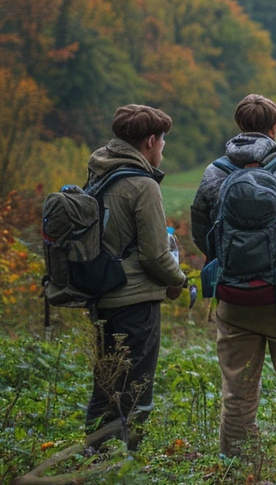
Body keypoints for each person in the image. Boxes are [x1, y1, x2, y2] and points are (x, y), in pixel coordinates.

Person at [190, 94, 276, 465]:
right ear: (274, 128)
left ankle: (238, 469)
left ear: (238, 126)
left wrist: (230, 266)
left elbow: (203, 235)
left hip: (234, 299)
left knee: (238, 393)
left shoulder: (215, 172)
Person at [85, 104, 187, 448]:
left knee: (106, 383)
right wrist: (180, 279)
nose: (162, 149)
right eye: (162, 143)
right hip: (136, 303)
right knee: (135, 390)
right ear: (150, 140)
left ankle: (93, 455)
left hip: (102, 297)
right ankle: (127, 461)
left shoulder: (99, 172)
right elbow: (156, 256)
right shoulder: (143, 185)